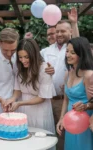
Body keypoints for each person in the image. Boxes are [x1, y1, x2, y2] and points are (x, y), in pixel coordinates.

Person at [40, 7, 79, 150]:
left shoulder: (72, 48)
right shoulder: (46, 51)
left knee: (64, 134)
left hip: (65, 100)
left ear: (70, 32)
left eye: (63, 31)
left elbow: (78, 43)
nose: (59, 34)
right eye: (57, 31)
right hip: (47, 100)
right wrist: (44, 71)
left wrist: (74, 23)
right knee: (49, 134)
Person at [56, 37, 93, 150]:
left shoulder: (89, 75)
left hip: (85, 123)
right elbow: (66, 99)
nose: (68, 55)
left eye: (73, 52)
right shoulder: (68, 74)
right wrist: (62, 118)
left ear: (81, 54)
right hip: (70, 121)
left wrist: (85, 106)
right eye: (67, 51)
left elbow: (92, 103)